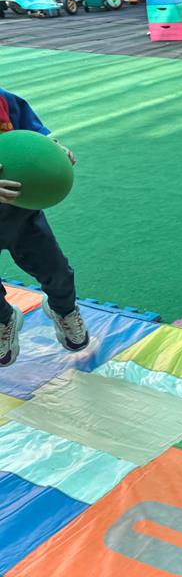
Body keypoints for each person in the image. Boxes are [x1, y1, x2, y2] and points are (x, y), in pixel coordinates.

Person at [0, 88, 90, 368]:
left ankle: (63, 310)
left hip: (21, 215)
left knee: (56, 271)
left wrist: (54, 151)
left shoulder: (4, 100)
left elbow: (35, 137)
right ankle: (4, 319)